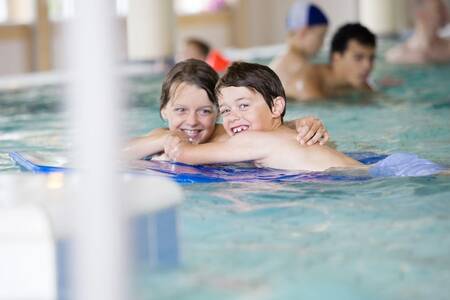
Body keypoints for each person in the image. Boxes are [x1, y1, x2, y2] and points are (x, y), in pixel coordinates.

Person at [163, 61, 362, 172]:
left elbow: (183, 155)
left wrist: (174, 140)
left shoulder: (252, 139)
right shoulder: (285, 135)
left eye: (243, 105)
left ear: (276, 107)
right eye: (225, 111)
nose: (233, 117)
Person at [123, 59, 330, 162]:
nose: (192, 121)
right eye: (180, 110)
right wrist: (162, 142)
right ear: (163, 111)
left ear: (218, 113)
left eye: (205, 111)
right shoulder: (161, 138)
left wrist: (303, 125)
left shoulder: (229, 134)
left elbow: (278, 136)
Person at [293, 23, 376, 101]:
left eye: (371, 58)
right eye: (358, 58)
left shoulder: (358, 83)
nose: (367, 66)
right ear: (337, 58)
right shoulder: (308, 80)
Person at [270, 0, 329, 100]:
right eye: (320, 37)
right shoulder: (301, 69)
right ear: (303, 32)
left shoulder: (278, 63)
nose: (322, 44)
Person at [386, 0, 450, 64]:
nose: (443, 16)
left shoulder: (447, 48)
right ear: (419, 13)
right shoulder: (399, 55)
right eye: (438, 10)